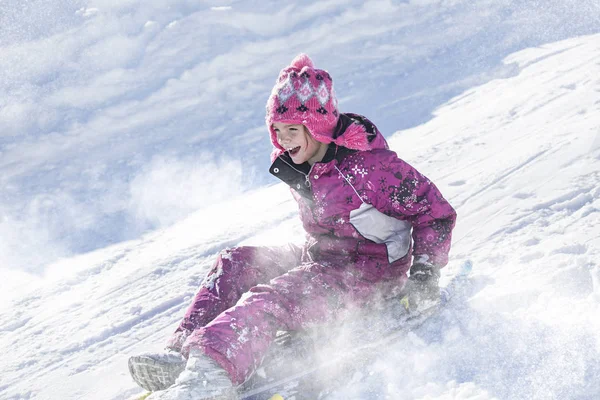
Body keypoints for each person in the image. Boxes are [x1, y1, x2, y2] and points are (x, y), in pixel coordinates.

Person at [128, 54, 456, 400]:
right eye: (277, 130)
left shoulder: (370, 169)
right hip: (321, 259)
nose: (283, 140)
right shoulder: (297, 163)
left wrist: (425, 274)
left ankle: (209, 377)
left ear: (318, 126)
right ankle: (182, 354)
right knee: (235, 261)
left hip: (367, 277)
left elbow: (434, 212)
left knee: (267, 301)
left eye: (292, 130)